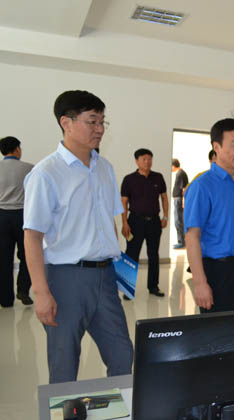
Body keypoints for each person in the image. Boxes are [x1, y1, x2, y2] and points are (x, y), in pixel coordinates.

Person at [23, 90, 133, 383]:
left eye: (102, 121)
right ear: (66, 123)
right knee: (64, 362)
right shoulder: (46, 173)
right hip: (65, 279)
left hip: (105, 278)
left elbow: (108, 223)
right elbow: (32, 237)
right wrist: (41, 293)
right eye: (92, 121)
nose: (99, 129)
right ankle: (67, 410)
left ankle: (118, 407)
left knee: (122, 355)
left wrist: (118, 268)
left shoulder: (105, 168)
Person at [185, 118, 234, 314]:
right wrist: (199, 283)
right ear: (216, 147)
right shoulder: (202, 186)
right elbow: (192, 236)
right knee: (218, 330)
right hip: (218, 272)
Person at [120, 148, 168, 297]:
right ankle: (127, 289)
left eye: (149, 159)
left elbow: (164, 198)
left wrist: (165, 217)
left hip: (154, 222)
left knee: (153, 254)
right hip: (135, 221)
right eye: (144, 159)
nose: (147, 162)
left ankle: (153, 287)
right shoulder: (129, 179)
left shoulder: (158, 177)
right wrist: (124, 223)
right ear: (137, 161)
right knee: (131, 255)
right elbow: (124, 202)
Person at [0, 136, 34, 307]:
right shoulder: (29, 168)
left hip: (1, 217)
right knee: (27, 255)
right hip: (23, 216)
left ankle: (5, 299)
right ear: (17, 149)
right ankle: (23, 290)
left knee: (3, 258)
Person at [171, 158, 188, 249]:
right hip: (177, 199)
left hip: (179, 200)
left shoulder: (180, 174)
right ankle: (181, 241)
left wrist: (184, 201)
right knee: (178, 220)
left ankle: (181, 242)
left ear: (173, 166)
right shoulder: (180, 173)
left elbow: (184, 188)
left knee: (178, 221)